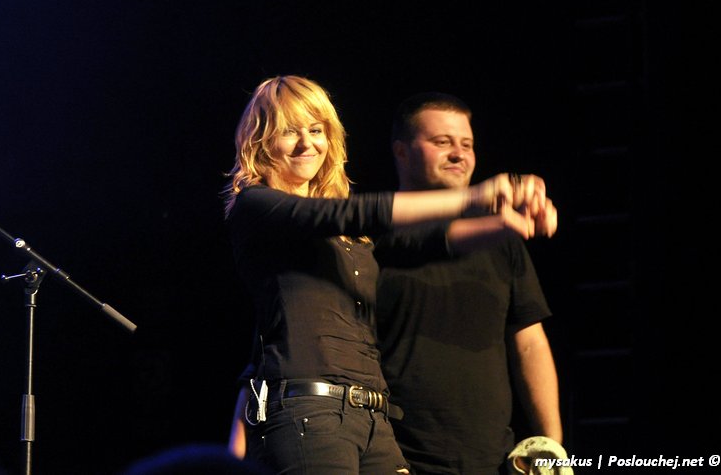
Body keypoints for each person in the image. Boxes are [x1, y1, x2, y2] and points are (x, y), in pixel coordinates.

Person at [223, 76, 555, 475]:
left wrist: (509, 221)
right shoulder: (256, 205)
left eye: (316, 131)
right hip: (309, 411)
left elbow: (421, 241)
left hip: (372, 414)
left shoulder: (349, 237)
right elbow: (344, 214)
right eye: (289, 132)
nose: (306, 143)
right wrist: (477, 195)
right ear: (260, 141)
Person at [374, 92, 563, 474]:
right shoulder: (370, 236)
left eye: (467, 144)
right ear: (401, 152)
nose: (459, 154)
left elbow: (528, 342)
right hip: (395, 456)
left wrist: (552, 446)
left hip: (490, 458)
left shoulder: (502, 242)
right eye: (442, 142)